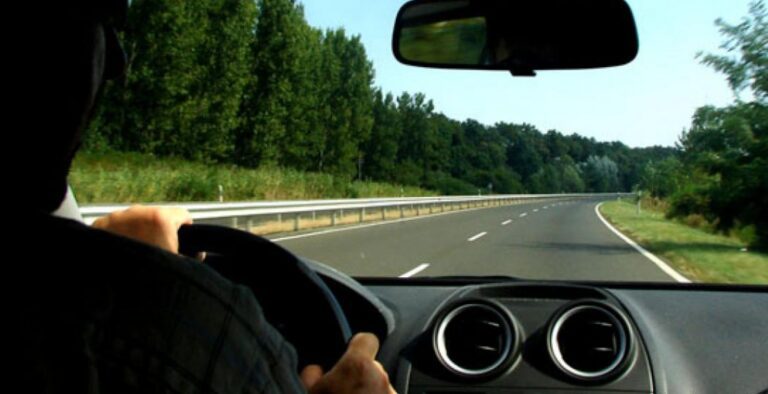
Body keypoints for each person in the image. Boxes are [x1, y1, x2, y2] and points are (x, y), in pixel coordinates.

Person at [10, 1, 395, 393]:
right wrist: (143, 278)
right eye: (105, 19)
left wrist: (109, 257)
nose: (119, 61)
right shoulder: (209, 337)